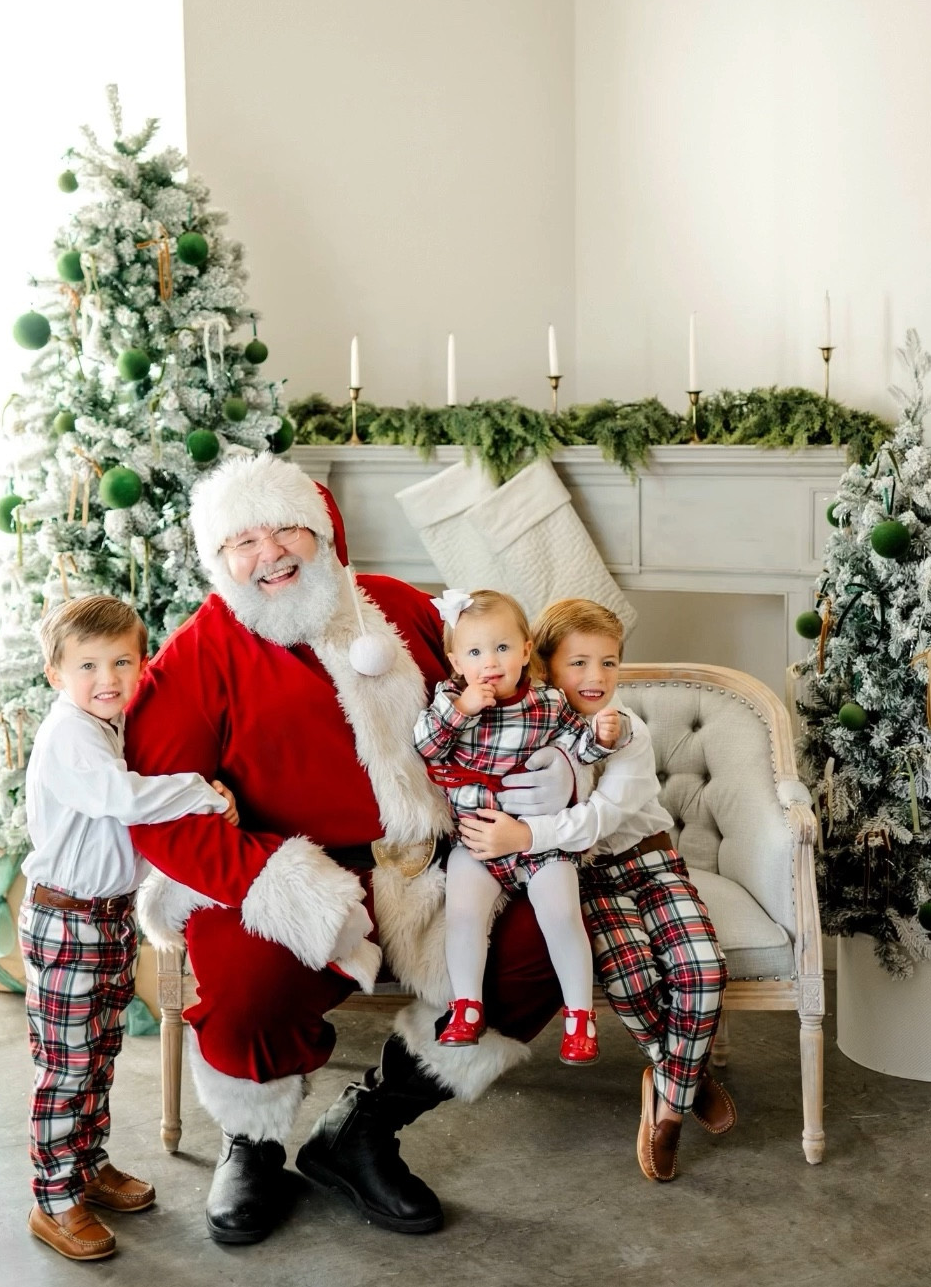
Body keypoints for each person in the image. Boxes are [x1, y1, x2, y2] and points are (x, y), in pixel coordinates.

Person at [123, 451, 579, 1246]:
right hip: (282, 869)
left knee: (544, 940)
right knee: (242, 969)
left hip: (436, 863)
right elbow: (155, 807)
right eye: (243, 541)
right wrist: (268, 880)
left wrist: (556, 772)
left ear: (323, 530)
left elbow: (512, 691)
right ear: (219, 561)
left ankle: (364, 1129)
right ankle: (253, 1141)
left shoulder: (399, 610)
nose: (270, 553)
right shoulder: (198, 654)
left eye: (286, 527)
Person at [458, 597, 735, 1182]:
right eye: (578, 663)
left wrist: (523, 835)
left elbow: (603, 818)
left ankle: (667, 1106)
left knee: (702, 969)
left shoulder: (624, 728)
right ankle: (685, 1076)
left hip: (651, 861)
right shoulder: (523, 726)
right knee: (632, 979)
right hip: (588, 878)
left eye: (608, 664)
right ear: (544, 666)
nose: (596, 678)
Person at [21, 594, 237, 1261]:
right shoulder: (70, 734)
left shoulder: (109, 725)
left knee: (100, 1053)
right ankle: (54, 1199)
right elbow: (118, 799)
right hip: (67, 919)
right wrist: (201, 790)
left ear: (143, 664)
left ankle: (87, 1166)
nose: (107, 677)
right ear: (56, 672)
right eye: (88, 664)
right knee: (67, 1065)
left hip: (108, 919)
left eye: (122, 661)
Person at [414, 587, 624, 1062]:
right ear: (454, 662)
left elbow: (577, 749)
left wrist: (603, 738)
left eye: (503, 648)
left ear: (526, 651)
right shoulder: (451, 702)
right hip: (478, 840)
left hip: (540, 840)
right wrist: (463, 709)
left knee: (562, 914)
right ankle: (466, 1005)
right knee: (464, 914)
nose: (490, 661)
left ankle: (579, 1017)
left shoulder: (548, 704)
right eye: (474, 651)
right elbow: (426, 747)